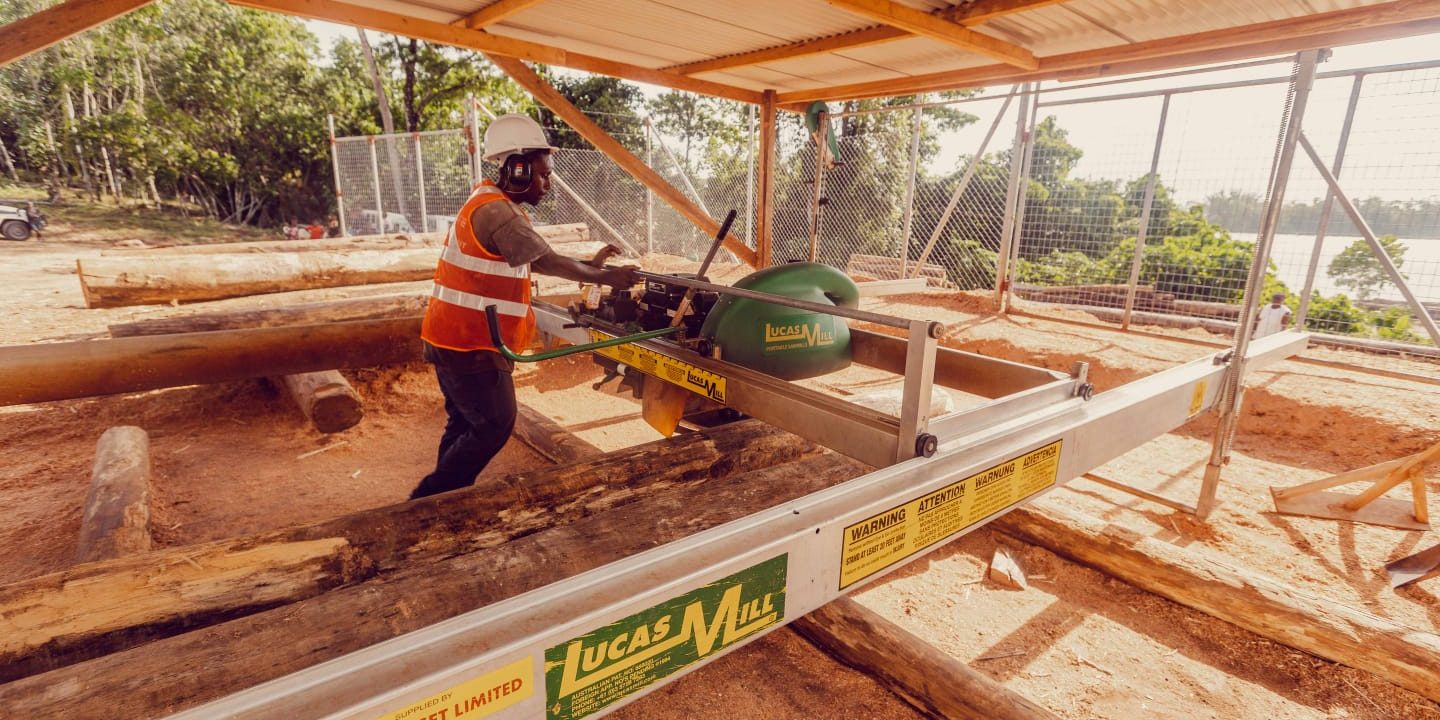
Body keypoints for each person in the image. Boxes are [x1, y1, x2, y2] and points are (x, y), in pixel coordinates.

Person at [410, 114, 639, 500]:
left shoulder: (488, 201)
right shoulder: (499, 211)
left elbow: (531, 254)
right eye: (543, 174)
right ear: (517, 169)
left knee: (464, 422)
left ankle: (440, 503)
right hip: (471, 344)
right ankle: (426, 500)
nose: (547, 183)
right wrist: (607, 279)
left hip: (450, 336)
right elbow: (546, 261)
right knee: (495, 424)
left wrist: (591, 266)